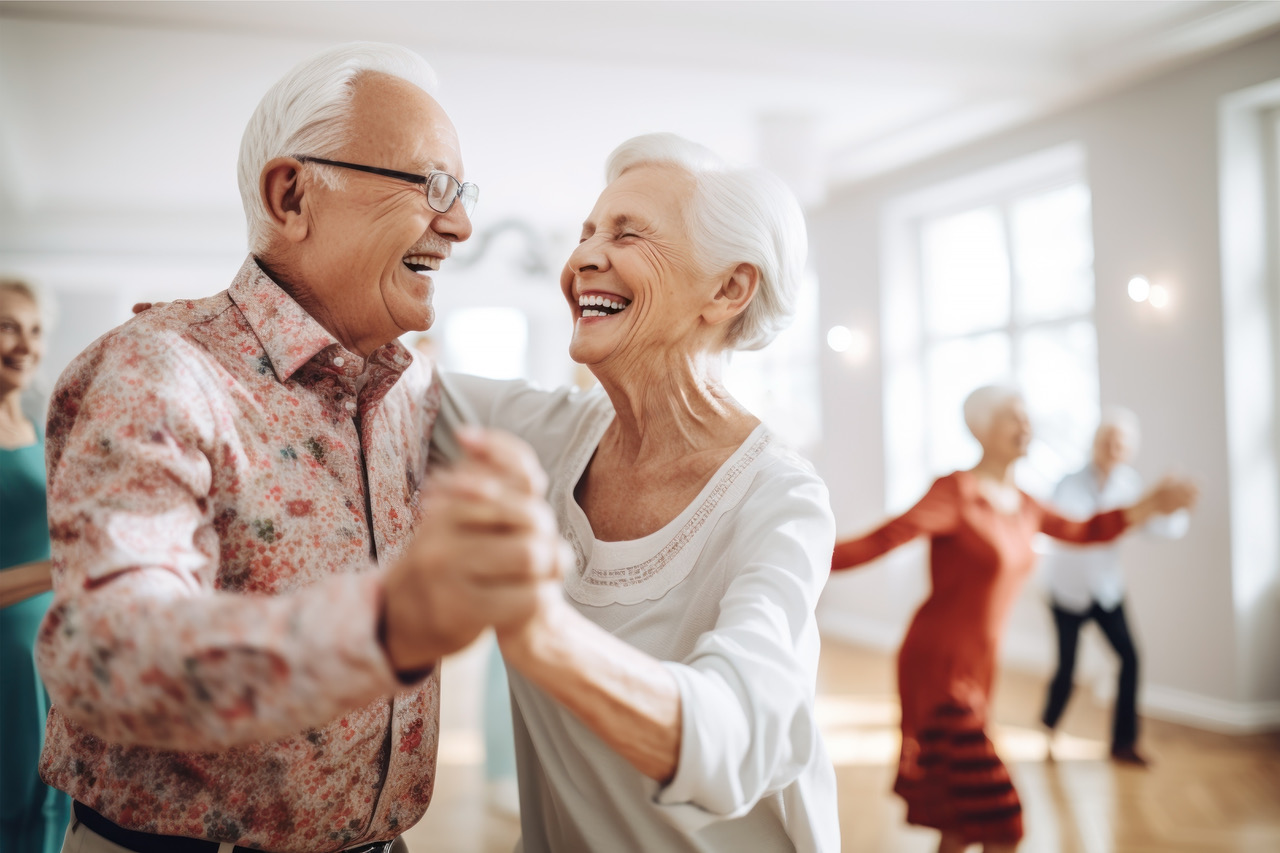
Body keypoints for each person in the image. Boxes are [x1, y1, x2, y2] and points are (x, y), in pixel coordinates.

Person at [35, 43, 563, 853]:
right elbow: (108, 658)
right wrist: (392, 623)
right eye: (431, 185)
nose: (459, 224)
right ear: (292, 195)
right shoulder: (159, 370)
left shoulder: (406, 393)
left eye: (461, 193)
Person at [437, 132, 840, 851]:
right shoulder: (549, 432)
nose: (585, 255)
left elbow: (738, 735)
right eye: (588, 231)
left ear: (728, 288)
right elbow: (372, 386)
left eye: (628, 233)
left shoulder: (781, 498)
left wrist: (540, 632)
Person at [829, 385, 1196, 853]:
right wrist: (804, 552)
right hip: (938, 668)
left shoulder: (1025, 503)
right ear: (981, 428)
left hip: (980, 670)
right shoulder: (956, 492)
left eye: (1028, 417)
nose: (1027, 426)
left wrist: (1148, 506)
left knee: (960, 820)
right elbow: (883, 539)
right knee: (1003, 820)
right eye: (1012, 416)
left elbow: (1083, 530)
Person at [1040, 407, 1189, 767]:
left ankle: (1123, 743)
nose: (1112, 447)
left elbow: (1159, 530)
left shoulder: (1131, 486)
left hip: (1106, 591)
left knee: (1131, 659)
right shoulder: (1068, 483)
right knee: (1067, 668)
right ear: (1094, 443)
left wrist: (1168, 508)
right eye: (1106, 439)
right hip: (1067, 591)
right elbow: (1078, 530)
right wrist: (1142, 507)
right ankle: (1047, 730)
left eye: (1119, 442)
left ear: (1130, 449)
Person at [1, 278, 71, 853]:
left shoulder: (38, 424)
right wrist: (69, 566)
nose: (25, 344)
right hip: (3, 658)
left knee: (54, 801)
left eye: (34, 330)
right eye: (6, 326)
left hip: (51, 649)